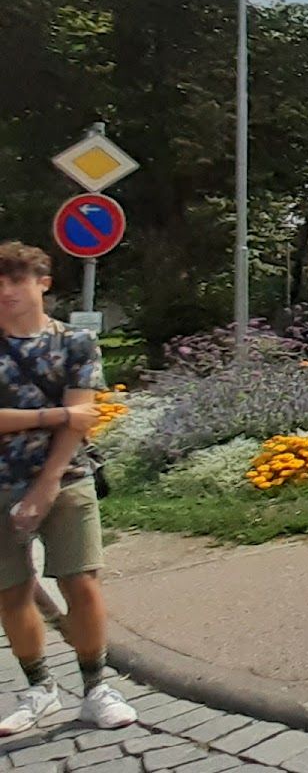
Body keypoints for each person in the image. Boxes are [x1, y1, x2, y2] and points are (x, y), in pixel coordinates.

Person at [0, 242, 134, 733]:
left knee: (80, 581)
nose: (6, 292)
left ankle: (96, 686)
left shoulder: (75, 343)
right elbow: (72, 414)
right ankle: (39, 688)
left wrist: (45, 486)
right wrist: (54, 414)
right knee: (10, 592)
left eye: (16, 280)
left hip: (67, 478)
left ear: (43, 284)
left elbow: (83, 421)